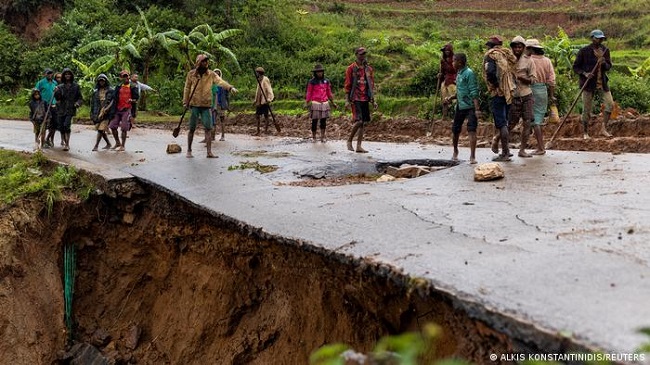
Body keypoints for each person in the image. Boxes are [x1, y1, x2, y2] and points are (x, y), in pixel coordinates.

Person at [184, 54, 238, 158]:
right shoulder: (191, 74)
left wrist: (230, 88)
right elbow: (187, 88)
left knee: (208, 128)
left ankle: (209, 152)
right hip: (194, 104)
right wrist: (185, 102)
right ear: (199, 63)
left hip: (206, 105)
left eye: (206, 61)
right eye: (204, 61)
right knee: (192, 128)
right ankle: (189, 150)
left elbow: (220, 81)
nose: (206, 63)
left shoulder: (211, 74)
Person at [573, 29, 614, 139]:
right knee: (586, 109)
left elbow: (609, 67)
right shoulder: (584, 51)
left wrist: (603, 62)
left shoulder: (605, 51)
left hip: (602, 83)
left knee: (610, 104)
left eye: (601, 38)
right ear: (592, 38)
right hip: (588, 84)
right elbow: (576, 67)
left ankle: (603, 128)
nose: (600, 40)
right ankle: (585, 132)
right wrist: (585, 73)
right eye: (597, 38)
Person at [483, 35, 517, 161]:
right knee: (505, 121)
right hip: (508, 91)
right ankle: (506, 150)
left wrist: (496, 86)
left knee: (501, 123)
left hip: (498, 93)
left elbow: (490, 73)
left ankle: (505, 152)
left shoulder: (491, 55)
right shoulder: (505, 54)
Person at [444, 53, 481, 164]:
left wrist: (477, 109)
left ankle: (472, 156)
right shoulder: (459, 74)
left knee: (471, 130)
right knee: (455, 130)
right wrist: (451, 97)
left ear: (459, 62)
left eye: (454, 60)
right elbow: (460, 91)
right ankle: (455, 151)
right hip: (460, 106)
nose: (452, 63)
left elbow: (474, 91)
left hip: (470, 107)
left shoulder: (469, 73)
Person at [507, 35, 537, 158]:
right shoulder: (508, 60)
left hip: (526, 95)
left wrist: (520, 77)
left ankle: (522, 149)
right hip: (513, 96)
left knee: (527, 122)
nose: (517, 49)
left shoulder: (529, 61)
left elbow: (533, 79)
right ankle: (497, 139)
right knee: (510, 123)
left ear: (523, 48)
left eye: (520, 47)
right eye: (515, 47)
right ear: (512, 48)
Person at [345, 47, 377, 153]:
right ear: (356, 55)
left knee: (363, 123)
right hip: (355, 97)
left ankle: (359, 146)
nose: (362, 56)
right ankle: (349, 141)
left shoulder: (368, 69)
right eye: (360, 54)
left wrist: (373, 100)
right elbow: (348, 85)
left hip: (365, 98)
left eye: (364, 54)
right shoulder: (351, 68)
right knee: (359, 121)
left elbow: (371, 85)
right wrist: (347, 100)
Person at [526, 38, 556, 155]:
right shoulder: (546, 61)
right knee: (538, 118)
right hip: (543, 90)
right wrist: (552, 95)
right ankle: (539, 146)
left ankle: (540, 147)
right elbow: (552, 80)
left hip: (531, 89)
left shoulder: (528, 61)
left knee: (535, 121)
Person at [305, 63, 337, 143]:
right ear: (315, 73)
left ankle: (322, 137)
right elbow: (309, 92)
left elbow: (329, 92)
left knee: (323, 121)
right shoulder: (312, 82)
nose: (319, 73)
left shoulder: (326, 81)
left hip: (324, 103)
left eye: (321, 72)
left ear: (323, 72)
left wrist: (333, 102)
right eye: (318, 72)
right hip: (316, 103)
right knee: (314, 121)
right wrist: (307, 102)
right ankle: (314, 137)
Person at [108, 70, 139, 152]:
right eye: (123, 76)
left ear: (128, 77)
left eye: (126, 76)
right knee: (112, 126)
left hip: (127, 109)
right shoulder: (118, 87)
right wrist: (109, 108)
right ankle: (117, 142)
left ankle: (123, 145)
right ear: (121, 78)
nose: (125, 78)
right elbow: (114, 98)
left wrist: (131, 100)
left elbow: (136, 98)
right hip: (117, 109)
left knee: (124, 128)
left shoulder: (132, 86)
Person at [53, 68, 82, 151]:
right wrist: (56, 92)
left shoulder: (76, 86)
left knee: (66, 125)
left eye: (69, 74)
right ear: (63, 76)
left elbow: (80, 98)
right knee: (61, 127)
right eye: (66, 74)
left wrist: (77, 103)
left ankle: (67, 144)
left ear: (71, 75)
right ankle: (65, 141)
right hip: (61, 109)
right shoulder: (60, 87)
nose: (67, 76)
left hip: (70, 109)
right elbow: (58, 98)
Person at [90, 74, 114, 151]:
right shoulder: (95, 92)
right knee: (100, 129)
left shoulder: (111, 90)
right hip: (97, 112)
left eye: (103, 81)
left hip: (107, 113)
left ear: (105, 81)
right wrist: (92, 114)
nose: (101, 82)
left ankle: (96, 146)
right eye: (100, 81)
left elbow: (113, 101)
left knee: (101, 129)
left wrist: (107, 108)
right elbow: (93, 103)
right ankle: (108, 144)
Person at [254, 66, 279, 135]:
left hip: (264, 101)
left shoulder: (265, 79)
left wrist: (269, 99)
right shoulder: (259, 79)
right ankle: (258, 131)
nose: (256, 74)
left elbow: (269, 89)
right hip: (259, 101)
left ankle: (265, 131)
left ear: (259, 73)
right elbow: (258, 91)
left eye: (257, 73)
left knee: (266, 116)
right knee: (257, 116)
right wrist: (255, 100)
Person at [438, 43, 457, 121]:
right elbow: (442, 72)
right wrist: (440, 75)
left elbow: (452, 70)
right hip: (445, 81)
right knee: (444, 100)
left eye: (448, 50)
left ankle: (456, 117)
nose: (446, 52)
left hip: (453, 81)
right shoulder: (443, 60)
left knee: (455, 100)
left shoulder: (454, 59)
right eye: (445, 51)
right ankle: (444, 116)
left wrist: (444, 64)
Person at [210, 68, 229, 142]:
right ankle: (213, 136)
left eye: (218, 73)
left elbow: (227, 96)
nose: (217, 74)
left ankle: (223, 135)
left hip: (220, 104)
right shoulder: (211, 84)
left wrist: (227, 105)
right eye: (215, 73)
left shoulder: (223, 84)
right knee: (213, 121)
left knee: (222, 120)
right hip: (213, 104)